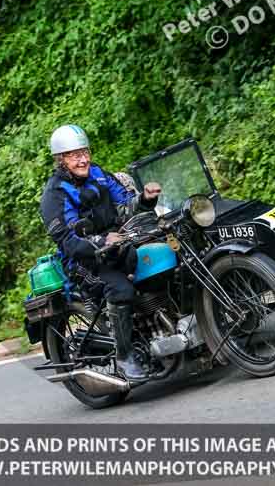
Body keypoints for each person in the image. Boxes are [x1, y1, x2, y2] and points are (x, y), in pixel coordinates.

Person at [39, 124, 162, 382]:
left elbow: (124, 205)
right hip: (84, 262)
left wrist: (145, 199)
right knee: (121, 291)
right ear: (61, 159)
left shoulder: (100, 175)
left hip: (118, 247)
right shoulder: (55, 195)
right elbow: (68, 240)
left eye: (84, 151)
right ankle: (125, 357)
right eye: (74, 155)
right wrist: (100, 240)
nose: (83, 159)